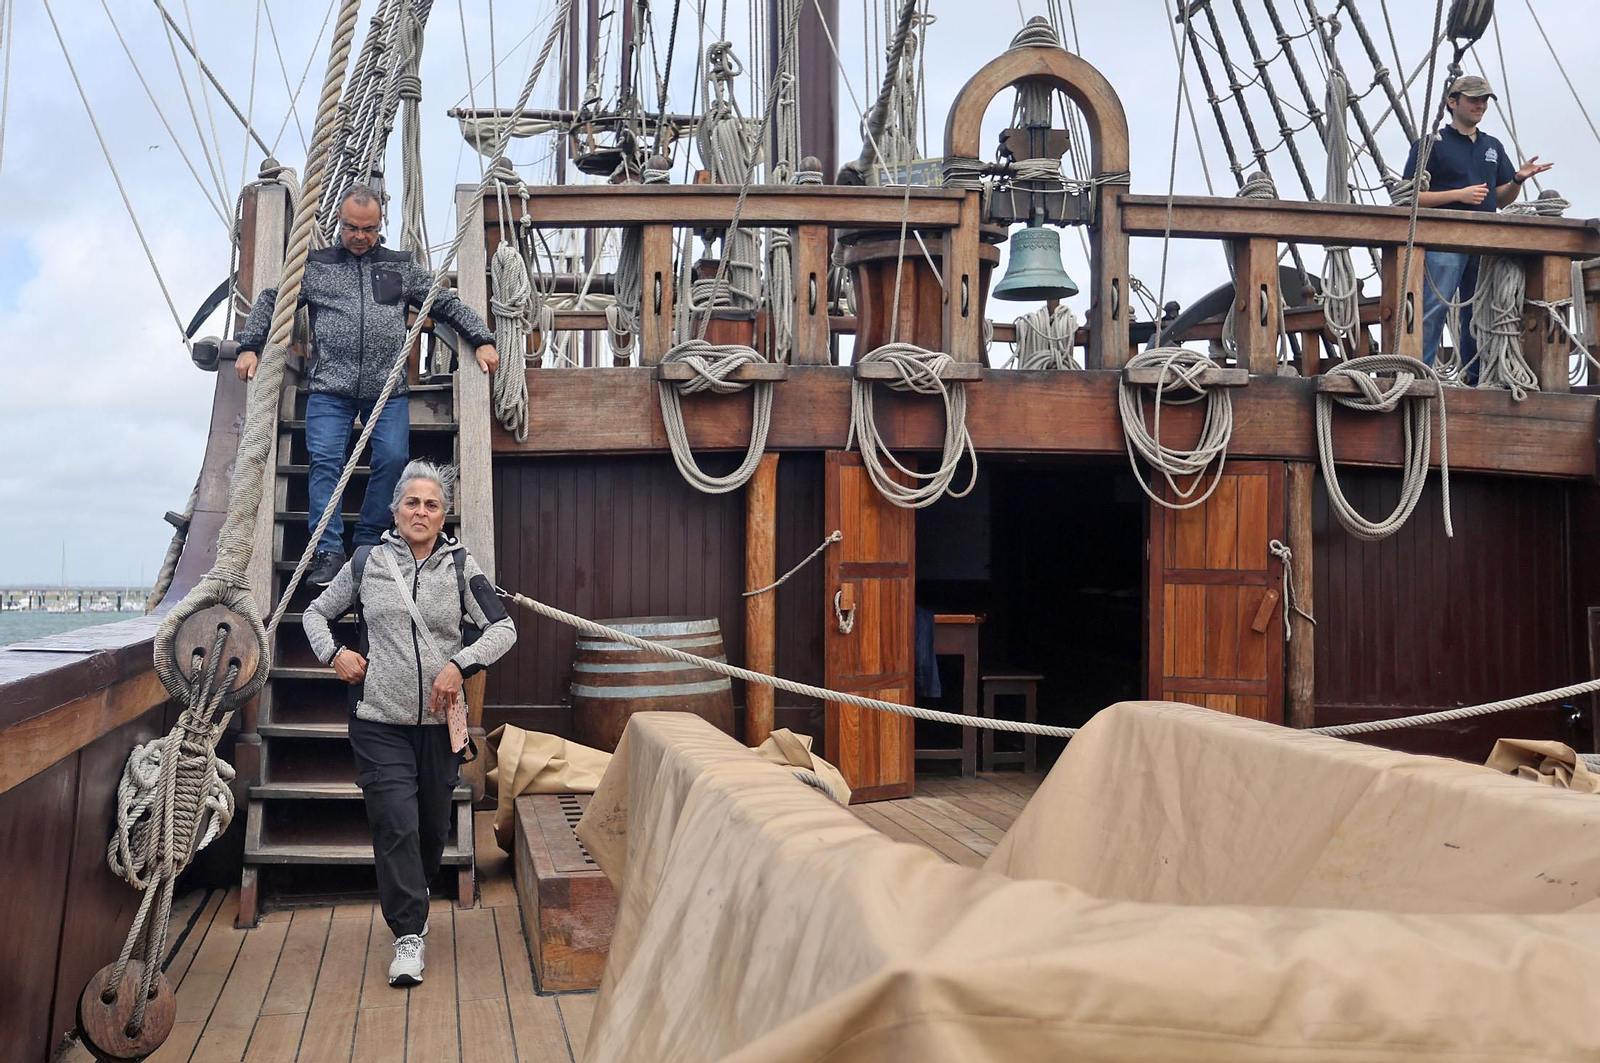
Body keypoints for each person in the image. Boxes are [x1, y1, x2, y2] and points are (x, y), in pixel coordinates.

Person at [302, 460, 517, 986]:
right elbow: (313, 614)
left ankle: (411, 896)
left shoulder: (461, 566)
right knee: (394, 822)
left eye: (432, 504)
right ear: (395, 509)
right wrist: (335, 654)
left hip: (441, 724)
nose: (421, 511)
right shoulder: (365, 562)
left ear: (444, 516)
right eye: (412, 502)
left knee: (429, 827)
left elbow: (504, 628)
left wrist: (459, 664)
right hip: (379, 721)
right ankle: (408, 935)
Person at [236, 185, 500, 586]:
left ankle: (368, 539)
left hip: (386, 389)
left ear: (381, 227)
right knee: (325, 462)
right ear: (339, 224)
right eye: (352, 228)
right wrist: (250, 346)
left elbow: (443, 303)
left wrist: (482, 339)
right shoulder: (317, 267)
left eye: (368, 229)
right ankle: (327, 549)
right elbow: (275, 300)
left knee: (394, 460)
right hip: (330, 389)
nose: (359, 236)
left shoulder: (399, 267)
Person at [1402, 75, 1552, 381]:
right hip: (1444, 242)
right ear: (1452, 102)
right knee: (1433, 309)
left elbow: (1501, 198)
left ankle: (1476, 378)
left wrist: (1518, 181)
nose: (1480, 105)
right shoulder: (1431, 145)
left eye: (1484, 100)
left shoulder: (1492, 146)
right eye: (1473, 100)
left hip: (1483, 244)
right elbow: (1410, 195)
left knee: (1478, 314)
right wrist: (1458, 195)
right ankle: (1418, 376)